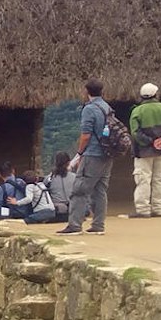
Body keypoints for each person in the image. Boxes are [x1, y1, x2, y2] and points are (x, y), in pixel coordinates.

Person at [61, 79, 116, 235]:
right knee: (100, 190)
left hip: (92, 154)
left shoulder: (89, 109)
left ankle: (75, 225)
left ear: (87, 91)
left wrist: (79, 154)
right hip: (107, 154)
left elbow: (86, 135)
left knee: (79, 189)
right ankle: (98, 225)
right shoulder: (107, 107)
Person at [129, 83, 161, 218]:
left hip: (143, 152)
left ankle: (143, 209)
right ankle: (159, 208)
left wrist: (150, 142)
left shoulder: (137, 111)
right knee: (160, 179)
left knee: (143, 179)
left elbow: (135, 133)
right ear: (156, 94)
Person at [23, 153, 74, 225]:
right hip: (72, 209)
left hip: (56, 210)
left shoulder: (49, 178)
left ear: (55, 163)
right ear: (68, 163)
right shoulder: (75, 177)